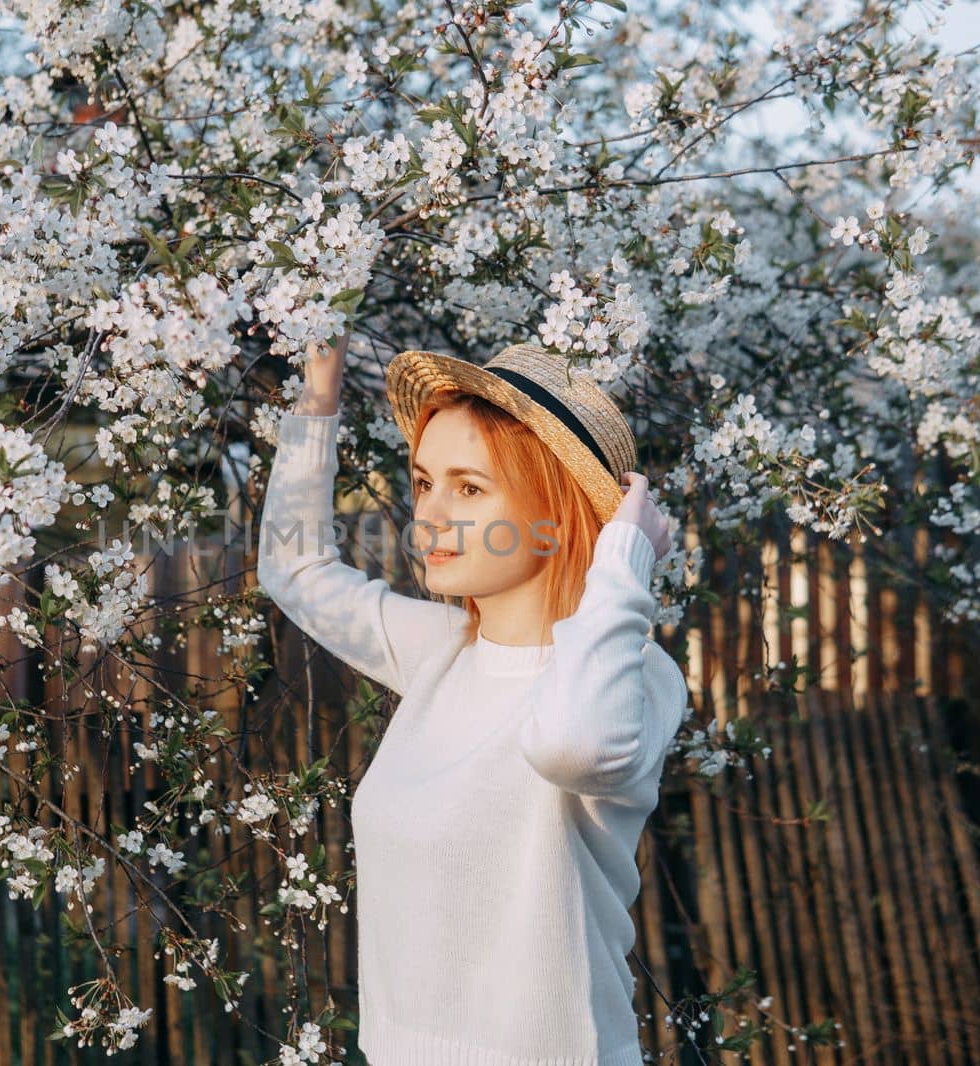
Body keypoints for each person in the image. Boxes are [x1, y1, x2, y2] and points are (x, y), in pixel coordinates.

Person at [254, 329, 692, 1066]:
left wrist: (623, 559)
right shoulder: (440, 655)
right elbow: (295, 570)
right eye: (424, 483)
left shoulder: (636, 678)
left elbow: (572, 747)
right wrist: (319, 390)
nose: (427, 517)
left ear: (556, 508)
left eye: (469, 487)